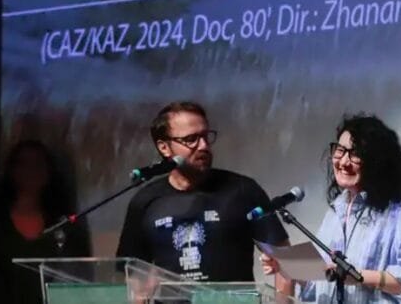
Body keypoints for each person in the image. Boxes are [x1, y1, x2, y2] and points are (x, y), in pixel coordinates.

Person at [262, 114, 401, 303]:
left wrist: (361, 277)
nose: (344, 162)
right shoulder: (336, 211)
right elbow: (323, 285)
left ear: (377, 161)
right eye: (340, 151)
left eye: (355, 154)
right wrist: (288, 268)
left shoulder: (399, 212)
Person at [116, 101, 289, 283]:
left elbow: (285, 261)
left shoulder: (243, 190)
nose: (203, 146)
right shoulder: (144, 201)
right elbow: (133, 276)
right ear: (164, 147)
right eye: (191, 139)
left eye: (206, 136)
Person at [0, 140, 91, 304]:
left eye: (38, 164)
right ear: (11, 170)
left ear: (49, 170)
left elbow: (81, 276)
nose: (30, 171)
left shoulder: (66, 224)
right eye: (23, 164)